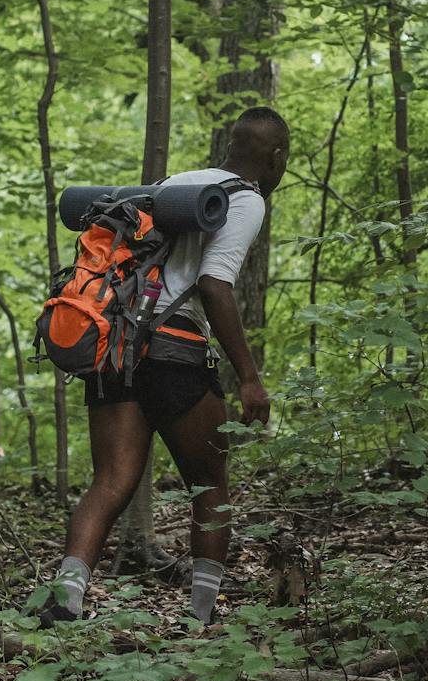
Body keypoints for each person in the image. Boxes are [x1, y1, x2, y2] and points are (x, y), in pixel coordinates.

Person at [37, 106, 290, 627]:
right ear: (275, 157)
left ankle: (65, 599)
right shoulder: (246, 200)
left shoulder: (172, 184)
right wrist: (249, 377)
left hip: (118, 347)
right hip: (175, 352)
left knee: (111, 479)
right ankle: (200, 617)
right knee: (209, 482)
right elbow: (214, 285)